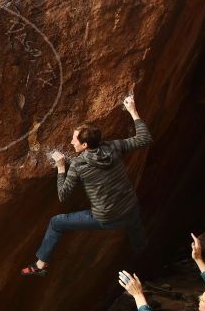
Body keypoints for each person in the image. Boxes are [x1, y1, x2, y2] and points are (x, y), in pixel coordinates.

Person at [21, 91, 151, 276]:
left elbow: (62, 195)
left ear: (85, 146)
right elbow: (144, 139)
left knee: (56, 222)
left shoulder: (78, 164)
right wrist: (132, 110)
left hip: (106, 218)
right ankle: (143, 256)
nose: (71, 141)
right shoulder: (113, 147)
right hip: (130, 209)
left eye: (75, 139)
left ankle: (40, 266)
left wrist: (60, 168)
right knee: (135, 231)